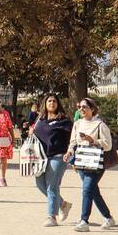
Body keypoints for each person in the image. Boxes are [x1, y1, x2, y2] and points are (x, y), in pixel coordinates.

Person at [65, 97, 115, 232]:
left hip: (95, 162)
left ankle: (84, 220)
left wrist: (92, 140)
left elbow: (108, 145)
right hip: (81, 161)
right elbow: (73, 142)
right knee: (93, 191)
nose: (81, 109)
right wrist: (69, 152)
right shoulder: (77, 124)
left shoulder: (100, 125)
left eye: (84, 107)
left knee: (87, 189)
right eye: (80, 107)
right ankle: (108, 217)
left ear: (92, 109)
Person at [31, 93, 73, 226]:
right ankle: (63, 204)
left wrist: (70, 152)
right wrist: (31, 132)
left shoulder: (64, 120)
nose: (52, 103)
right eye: (49, 101)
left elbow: (72, 138)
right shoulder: (40, 120)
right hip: (41, 157)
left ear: (58, 104)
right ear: (45, 104)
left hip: (58, 156)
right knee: (40, 184)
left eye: (54, 101)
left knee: (52, 186)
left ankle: (51, 217)